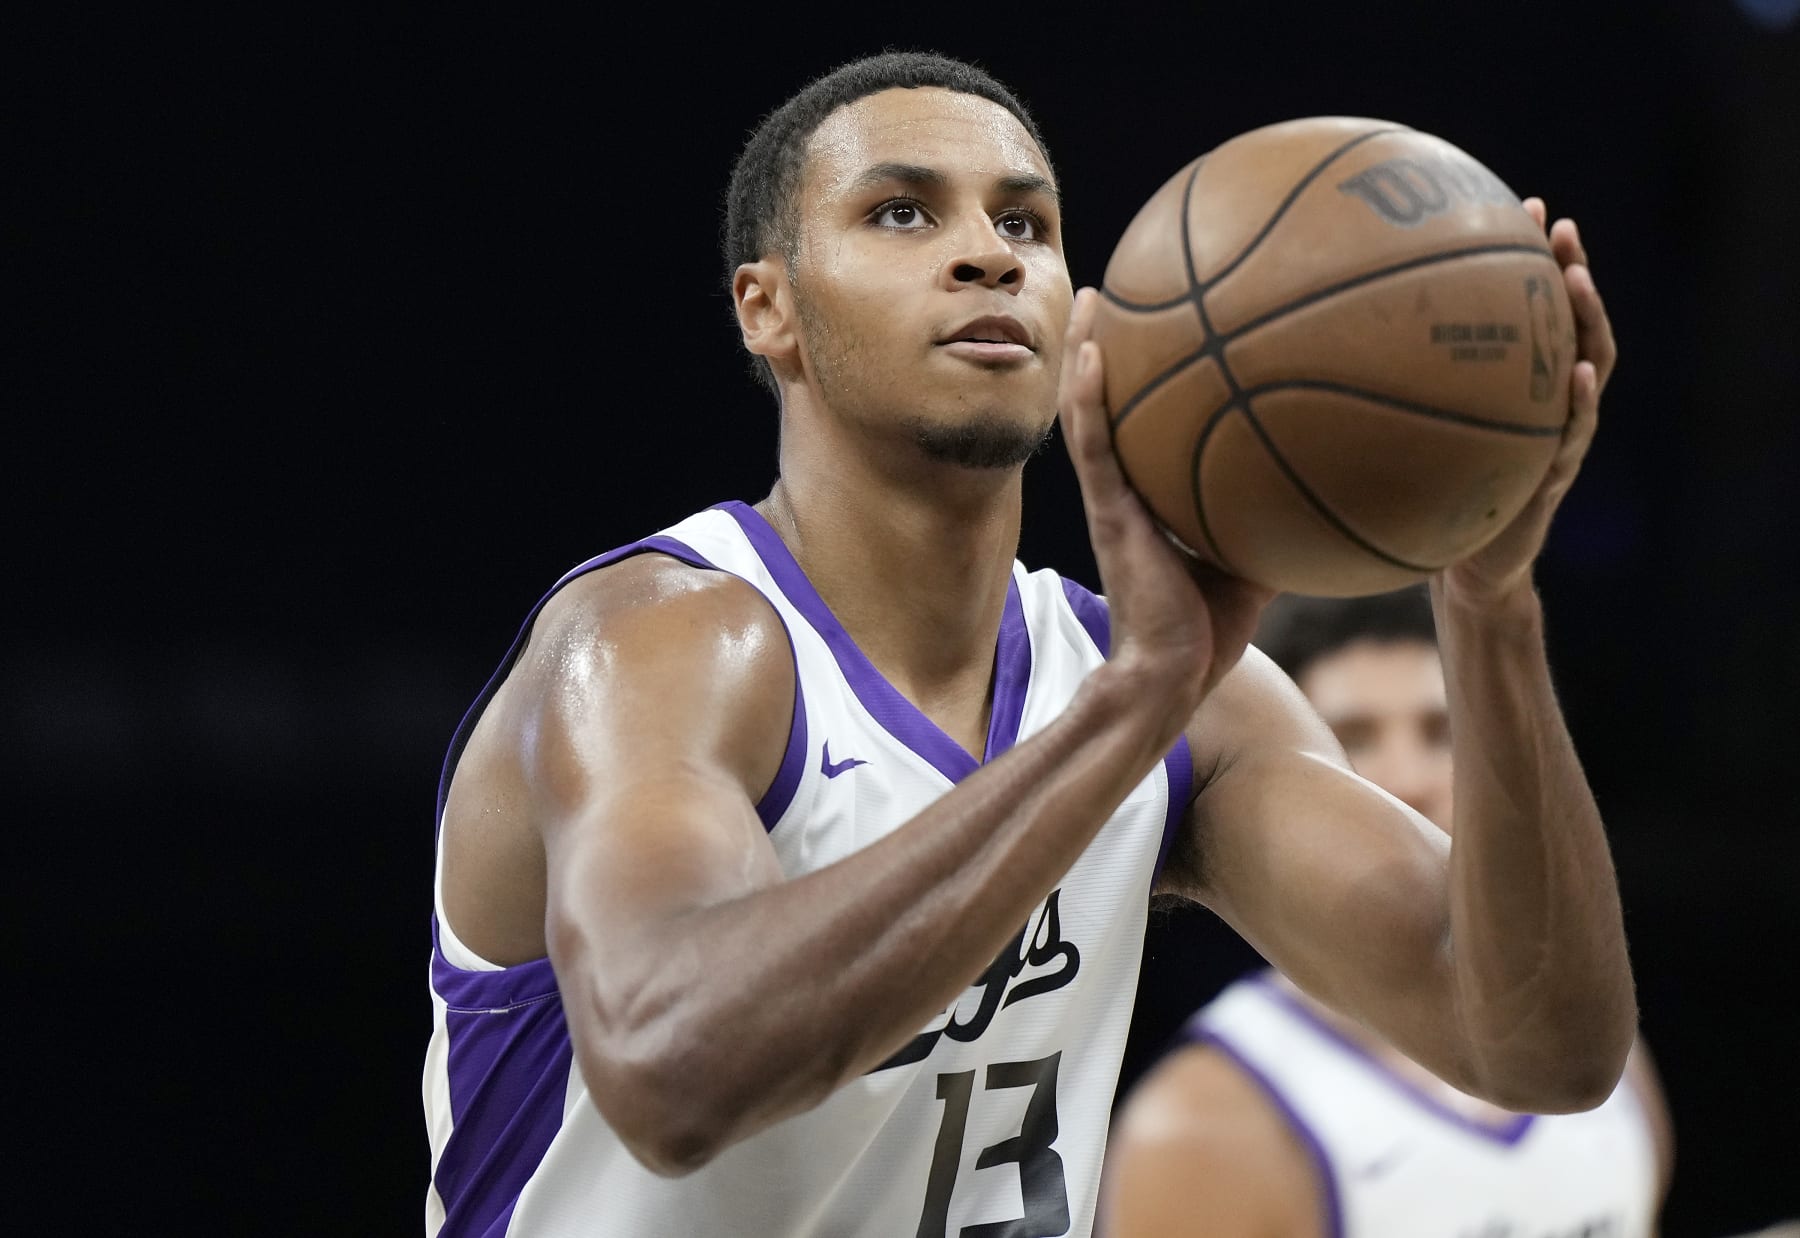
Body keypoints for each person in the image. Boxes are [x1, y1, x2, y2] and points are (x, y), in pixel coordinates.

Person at [420, 50, 1633, 1238]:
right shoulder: (661, 644)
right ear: (768, 307)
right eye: (901, 212)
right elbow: (671, 1066)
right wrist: (1128, 712)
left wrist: (1491, 600)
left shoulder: (1178, 694)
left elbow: (1537, 1045)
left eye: (1030, 225)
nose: (988, 252)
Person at [1100, 586, 1676, 1238]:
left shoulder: (1601, 1054)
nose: (1407, 779)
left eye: (1442, 732)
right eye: (1354, 738)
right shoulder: (1203, 1123)